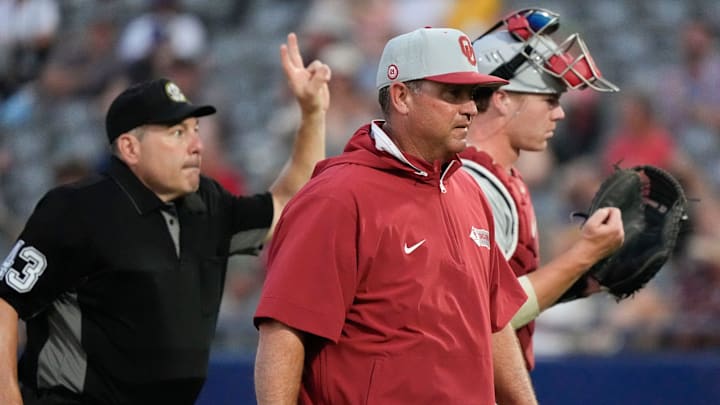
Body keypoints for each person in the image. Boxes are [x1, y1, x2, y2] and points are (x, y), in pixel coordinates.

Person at [0, 32, 330, 405]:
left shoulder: (207, 201)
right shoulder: (76, 209)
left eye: (195, 130)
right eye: (176, 132)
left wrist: (313, 114)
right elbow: (5, 300)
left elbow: (288, 202)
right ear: (130, 147)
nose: (196, 145)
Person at [254, 27, 535, 404]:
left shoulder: (469, 192)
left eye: (472, 95)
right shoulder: (337, 197)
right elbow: (284, 331)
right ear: (401, 96)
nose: (470, 107)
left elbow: (493, 321)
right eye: (452, 94)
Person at [462, 6, 625, 380]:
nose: (560, 114)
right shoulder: (470, 185)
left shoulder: (502, 178)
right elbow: (485, 317)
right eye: (549, 100)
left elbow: (508, 294)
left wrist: (584, 281)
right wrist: (583, 255)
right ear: (502, 97)